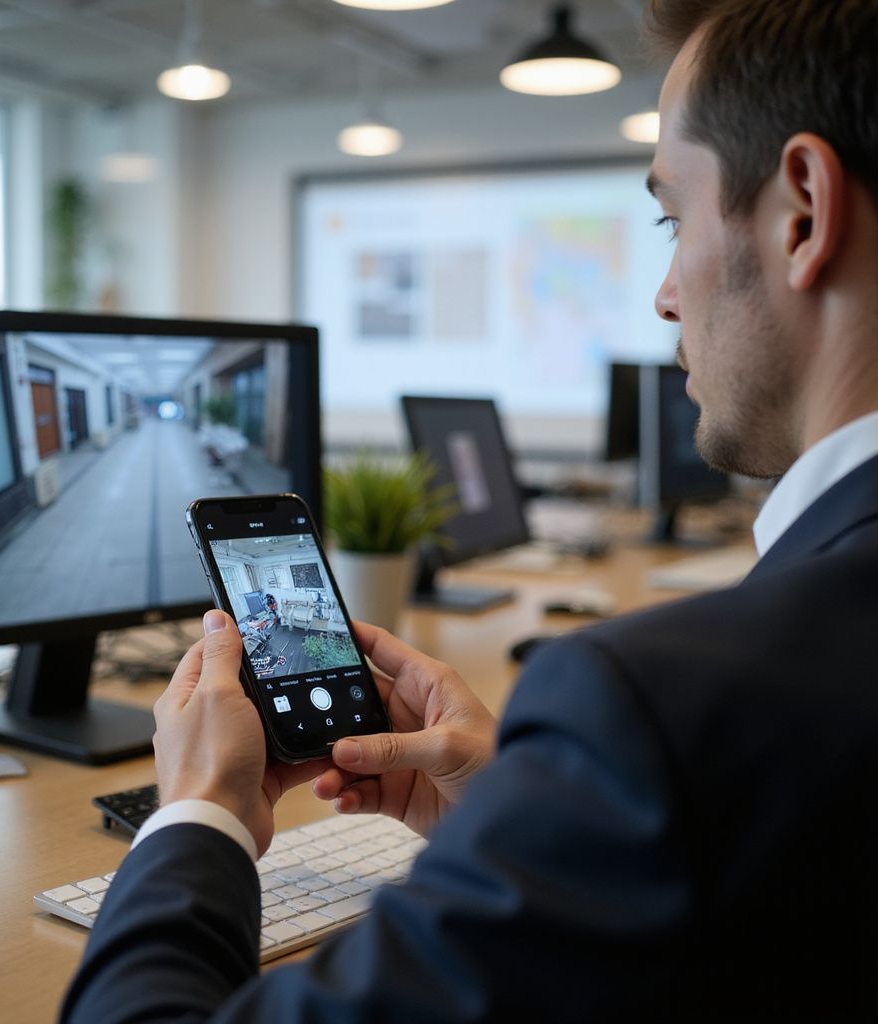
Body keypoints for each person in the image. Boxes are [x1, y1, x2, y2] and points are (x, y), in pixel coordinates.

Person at [61, 1, 878, 1019]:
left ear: (801, 210)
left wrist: (197, 812)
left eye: (672, 218)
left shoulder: (658, 709)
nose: (665, 295)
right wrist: (529, 826)